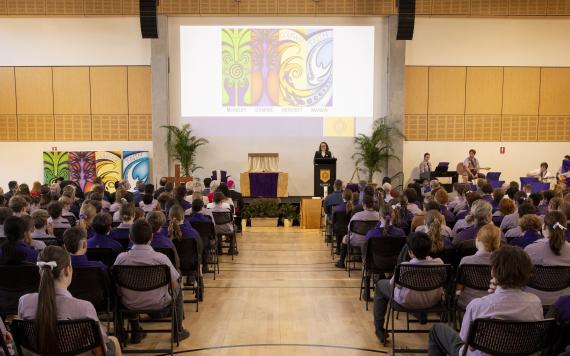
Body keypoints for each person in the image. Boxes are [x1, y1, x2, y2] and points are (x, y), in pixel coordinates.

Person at [428, 245, 542, 356]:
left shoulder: (478, 305)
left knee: (436, 329)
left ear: (493, 271)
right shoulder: (535, 303)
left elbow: (465, 340)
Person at [17, 246, 121, 356]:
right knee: (114, 341)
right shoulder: (84, 307)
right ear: (68, 270)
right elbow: (101, 349)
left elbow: (23, 339)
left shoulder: (24, 301)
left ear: (40, 271)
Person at [114, 219, 190, 342]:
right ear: (151, 237)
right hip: (159, 302)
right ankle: (178, 330)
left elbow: (116, 284)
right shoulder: (161, 259)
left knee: (122, 292)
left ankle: (135, 330)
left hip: (129, 303)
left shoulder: (121, 259)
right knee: (178, 289)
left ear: (130, 237)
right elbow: (174, 284)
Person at [374, 232, 445, 343]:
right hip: (433, 300)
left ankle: (379, 330)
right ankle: (420, 314)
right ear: (430, 248)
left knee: (380, 285)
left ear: (411, 253)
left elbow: (393, 285)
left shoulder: (405, 267)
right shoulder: (440, 263)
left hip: (408, 301)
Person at [524, 211, 570, 305]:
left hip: (533, 300)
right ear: (564, 228)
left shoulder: (530, 249)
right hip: (563, 302)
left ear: (544, 226)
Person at [455, 224, 501, 309]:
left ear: (478, 240)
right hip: (492, 303)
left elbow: (459, 287)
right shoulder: (500, 263)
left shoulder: (466, 261)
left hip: (468, 302)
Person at [336, 194, 380, 269]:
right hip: (373, 242)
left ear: (363, 204)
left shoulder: (357, 215)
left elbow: (349, 228)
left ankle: (341, 262)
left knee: (345, 238)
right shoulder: (379, 215)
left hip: (356, 240)